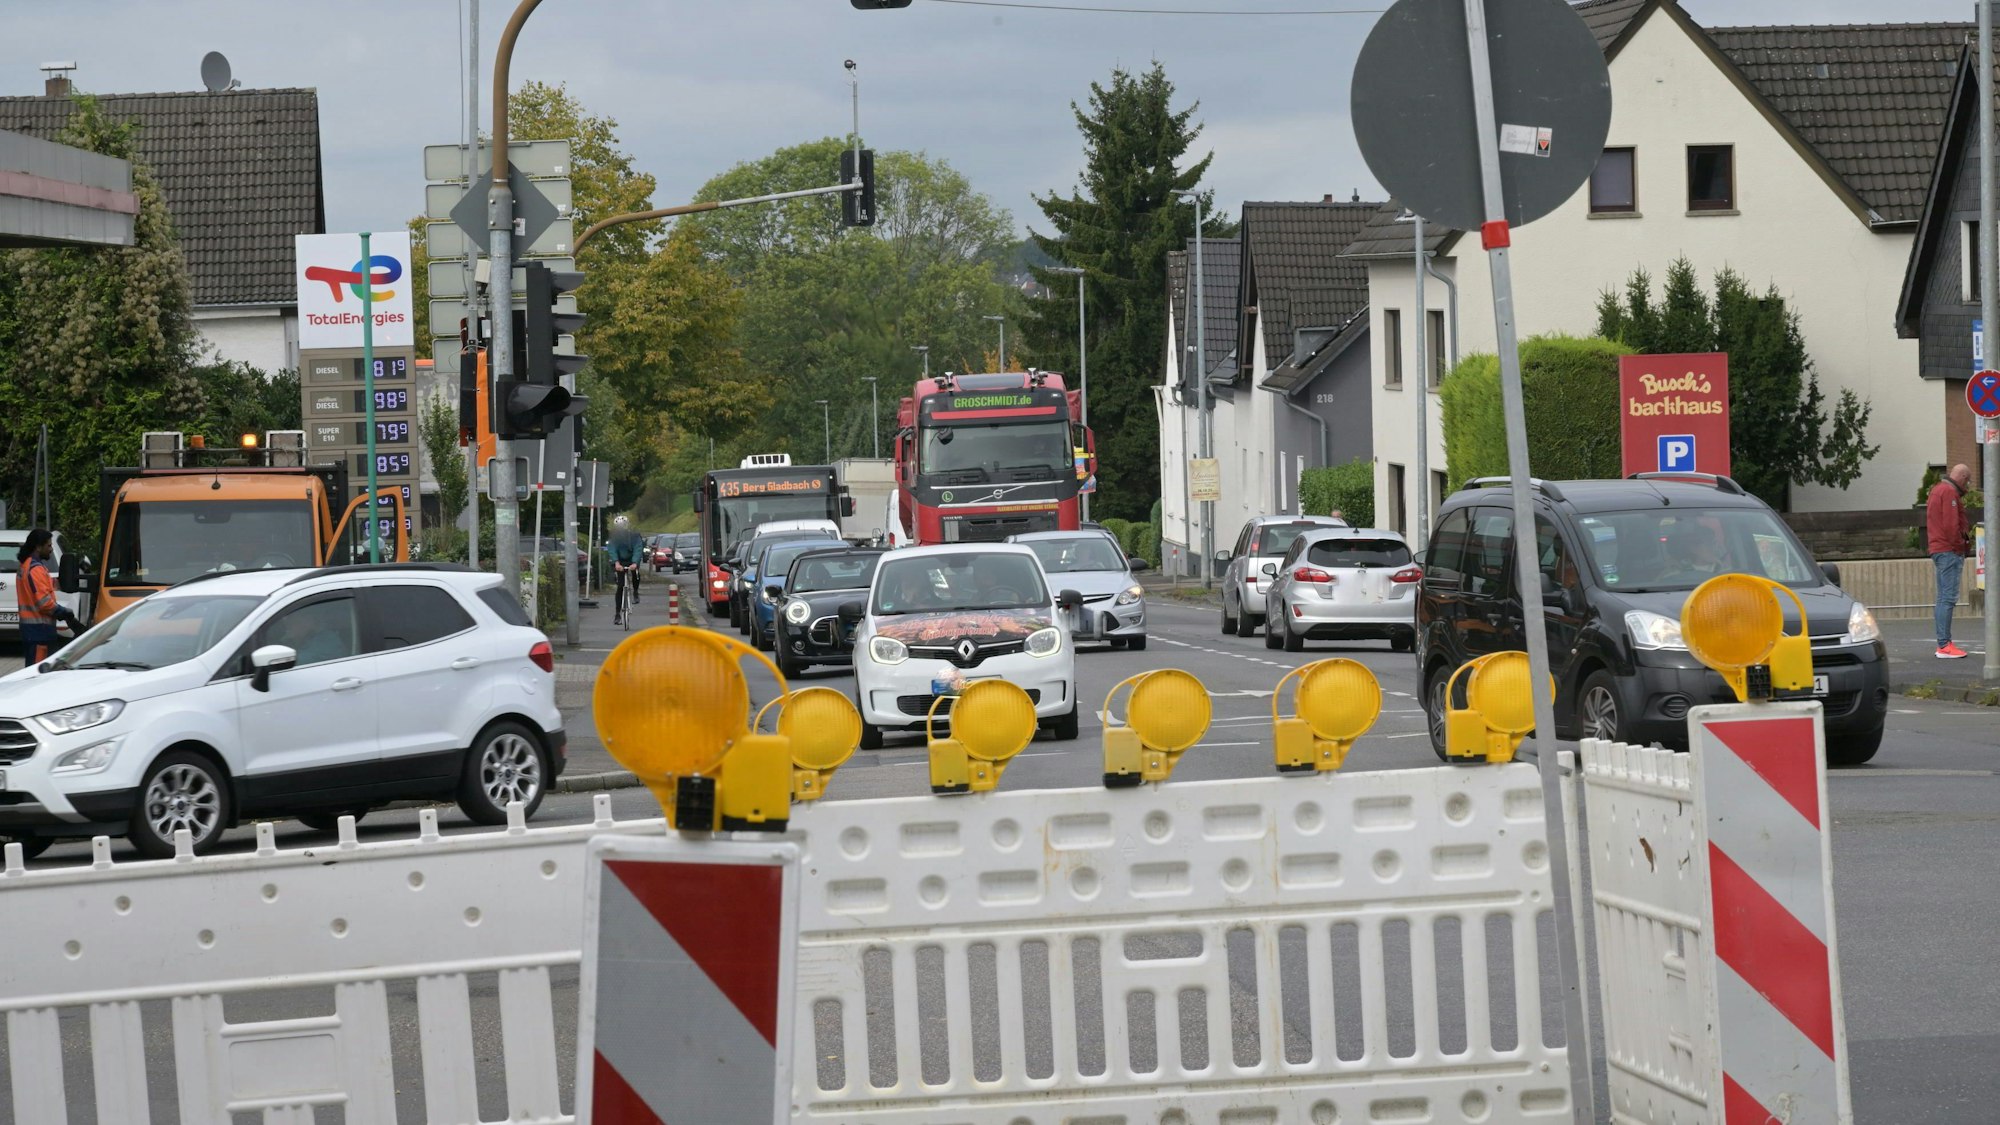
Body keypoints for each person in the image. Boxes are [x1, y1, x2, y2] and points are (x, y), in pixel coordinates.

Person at [1928, 463, 1974, 659]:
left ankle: (1943, 643)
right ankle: (1944, 645)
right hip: (1948, 551)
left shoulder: (1937, 490)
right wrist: (1959, 546)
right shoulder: (1949, 493)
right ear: (1962, 477)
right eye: (1968, 481)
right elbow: (1951, 525)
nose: (1968, 486)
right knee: (1947, 598)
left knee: (1942, 598)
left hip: (1938, 549)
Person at [15, 529, 75, 665]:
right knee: (38, 675)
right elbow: (45, 603)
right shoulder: (35, 569)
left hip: (34, 632)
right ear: (38, 547)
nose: (51, 549)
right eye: (48, 545)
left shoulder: (27, 566)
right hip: (40, 632)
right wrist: (63, 612)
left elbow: (41, 588)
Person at [606, 515, 645, 620]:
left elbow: (638, 548)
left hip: (632, 559)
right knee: (620, 587)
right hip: (620, 561)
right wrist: (616, 562)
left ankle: (635, 592)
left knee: (635, 574)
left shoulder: (634, 536)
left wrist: (635, 563)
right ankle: (617, 614)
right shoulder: (614, 538)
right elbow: (612, 549)